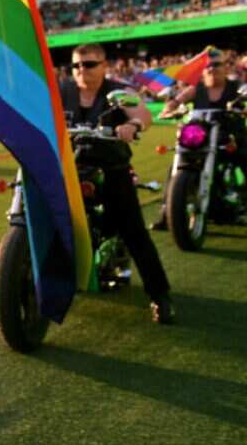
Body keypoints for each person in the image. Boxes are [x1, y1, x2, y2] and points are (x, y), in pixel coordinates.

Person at [62, 43, 174, 324]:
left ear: (103, 66)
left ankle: (159, 296)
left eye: (88, 64)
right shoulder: (62, 92)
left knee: (133, 230)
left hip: (110, 167)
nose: (81, 71)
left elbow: (143, 115)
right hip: (69, 168)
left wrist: (133, 126)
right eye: (76, 65)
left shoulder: (117, 92)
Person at [154, 47, 247, 227]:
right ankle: (167, 211)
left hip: (230, 136)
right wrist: (169, 108)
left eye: (216, 65)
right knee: (175, 165)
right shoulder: (196, 89)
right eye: (208, 66)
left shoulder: (235, 87)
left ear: (226, 67)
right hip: (200, 136)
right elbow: (177, 101)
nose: (211, 69)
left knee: (244, 157)